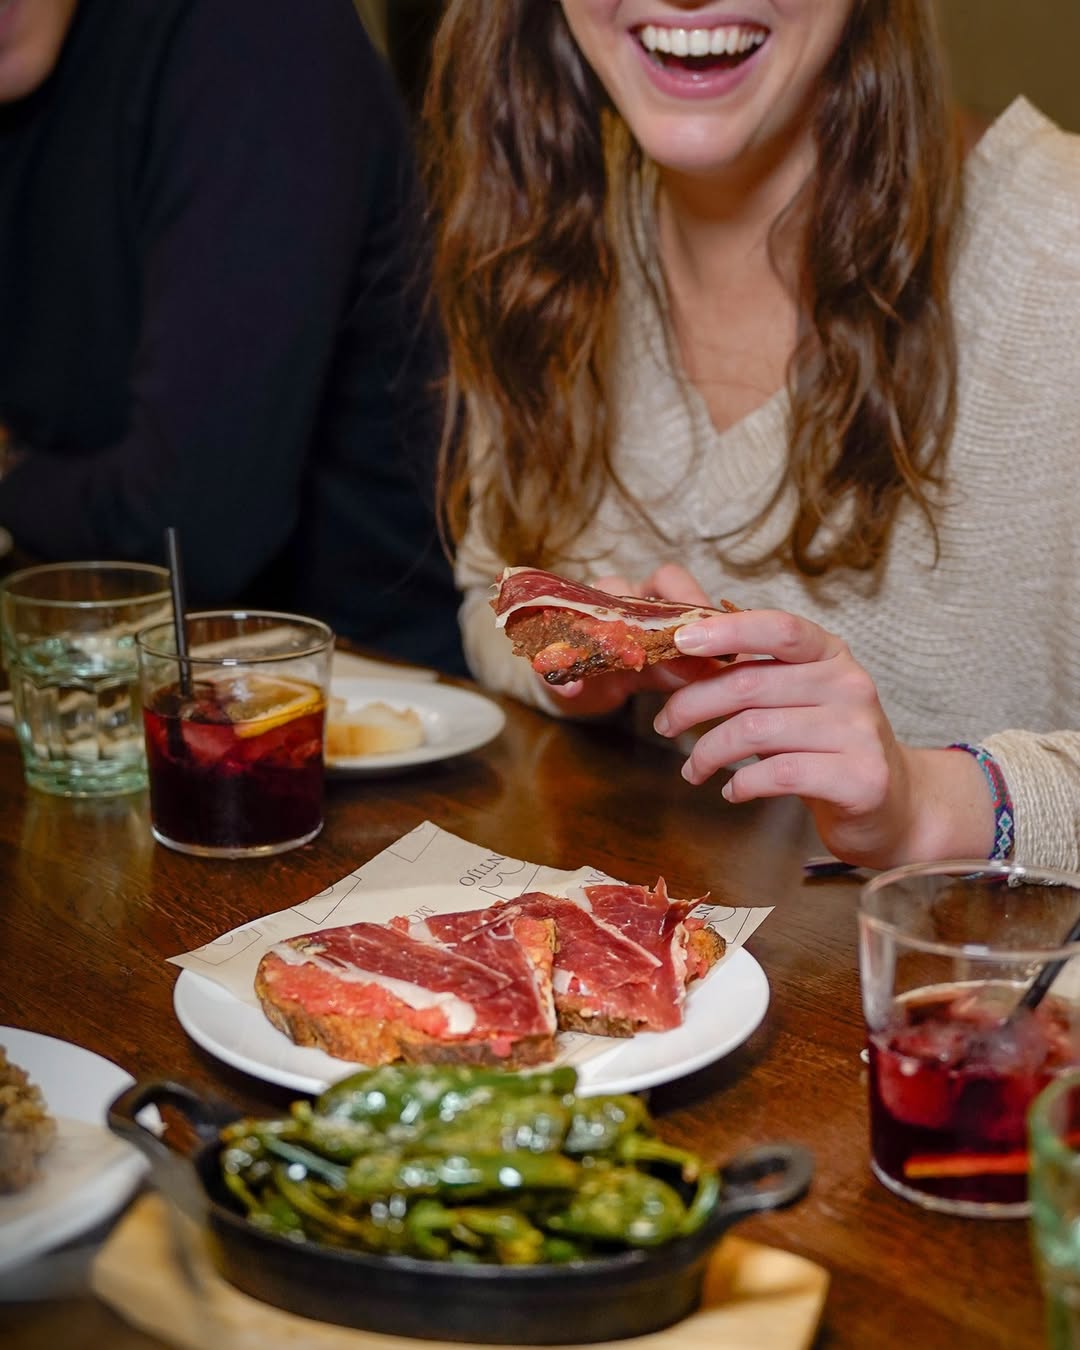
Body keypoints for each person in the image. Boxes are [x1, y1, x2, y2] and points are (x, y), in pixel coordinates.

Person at [423, 1, 1080, 871]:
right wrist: (581, 678)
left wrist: (925, 807)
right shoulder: (544, 237)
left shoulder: (1056, 255)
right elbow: (484, 596)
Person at [0, 0, 465, 675]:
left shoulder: (252, 31)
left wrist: (11, 470)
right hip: (111, 675)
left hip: (375, 706)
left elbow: (191, 531)